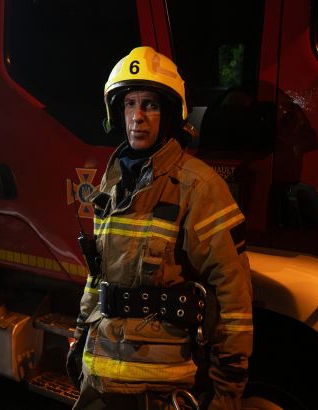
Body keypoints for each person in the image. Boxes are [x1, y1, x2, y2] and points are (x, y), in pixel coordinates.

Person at [67, 46, 253, 410]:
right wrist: (78, 336)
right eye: (129, 104)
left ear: (168, 114)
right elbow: (98, 277)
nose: (137, 117)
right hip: (101, 378)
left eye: (149, 105)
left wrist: (227, 387)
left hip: (161, 387)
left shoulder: (198, 187)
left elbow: (232, 292)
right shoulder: (112, 182)